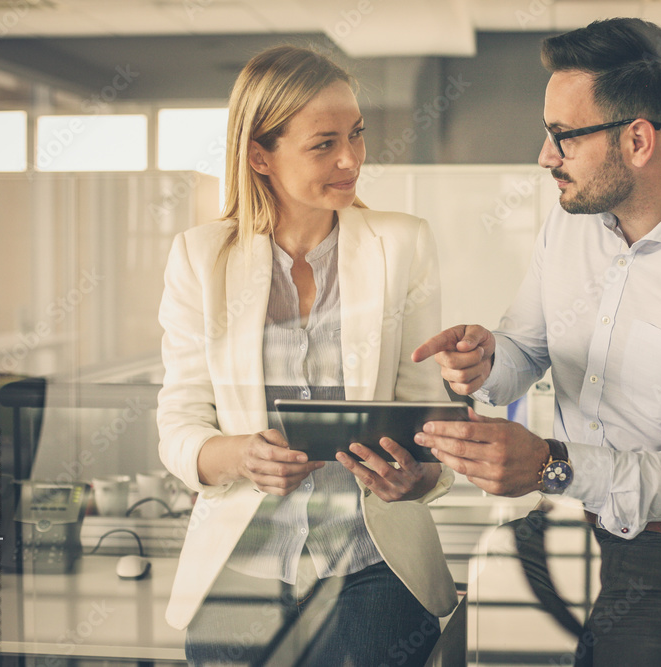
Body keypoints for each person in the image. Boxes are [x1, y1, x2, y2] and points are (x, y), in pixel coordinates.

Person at [412, 18, 661, 666]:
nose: (544, 155)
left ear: (639, 139)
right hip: (590, 521)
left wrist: (550, 465)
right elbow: (524, 351)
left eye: (562, 136)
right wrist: (483, 361)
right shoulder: (570, 229)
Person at [156, 45, 457, 666]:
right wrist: (242, 455)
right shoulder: (199, 257)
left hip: (373, 556)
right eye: (324, 144)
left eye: (356, 135)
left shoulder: (402, 244)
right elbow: (179, 423)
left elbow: (435, 417)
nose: (351, 159)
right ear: (259, 155)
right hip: (244, 559)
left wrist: (418, 476)